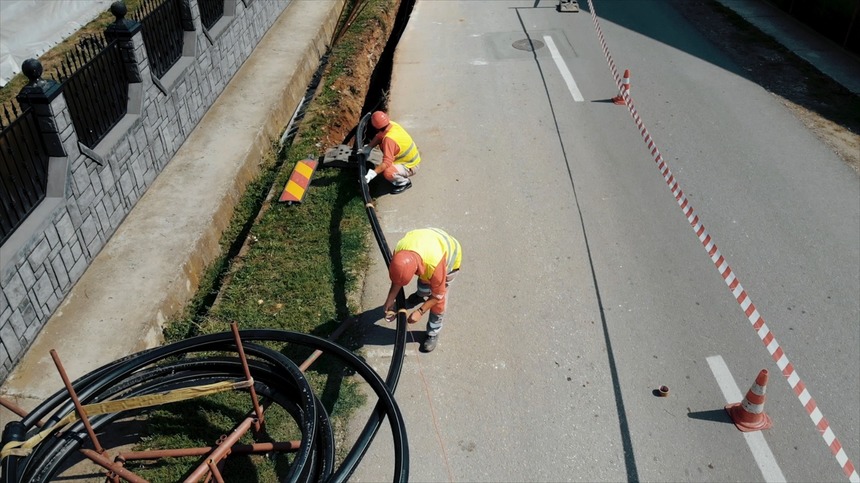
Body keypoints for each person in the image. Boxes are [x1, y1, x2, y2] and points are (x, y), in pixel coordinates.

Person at [383, 228, 462, 352]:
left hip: (450, 257)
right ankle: (421, 295)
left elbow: (438, 295)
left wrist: (420, 312)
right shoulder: (399, 251)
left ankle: (433, 332)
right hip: (429, 243)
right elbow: (398, 279)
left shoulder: (434, 266)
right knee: (424, 280)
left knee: (438, 304)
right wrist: (390, 299)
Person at [363, 111, 421, 194]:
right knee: (385, 164)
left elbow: (386, 162)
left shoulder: (389, 140)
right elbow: (379, 136)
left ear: (376, 127)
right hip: (412, 159)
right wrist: (369, 147)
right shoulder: (391, 125)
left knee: (388, 172)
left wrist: (372, 174)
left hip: (410, 166)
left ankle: (404, 183)